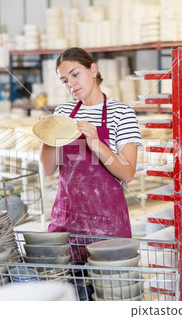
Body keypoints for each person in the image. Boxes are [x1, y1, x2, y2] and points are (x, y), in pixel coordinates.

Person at [40, 47, 141, 240]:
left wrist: (96, 144)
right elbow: (48, 168)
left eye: (75, 74)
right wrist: (47, 135)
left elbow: (127, 174)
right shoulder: (62, 112)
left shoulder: (122, 113)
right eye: (64, 81)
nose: (71, 84)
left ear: (93, 70)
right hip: (67, 220)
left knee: (104, 270)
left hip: (106, 223)